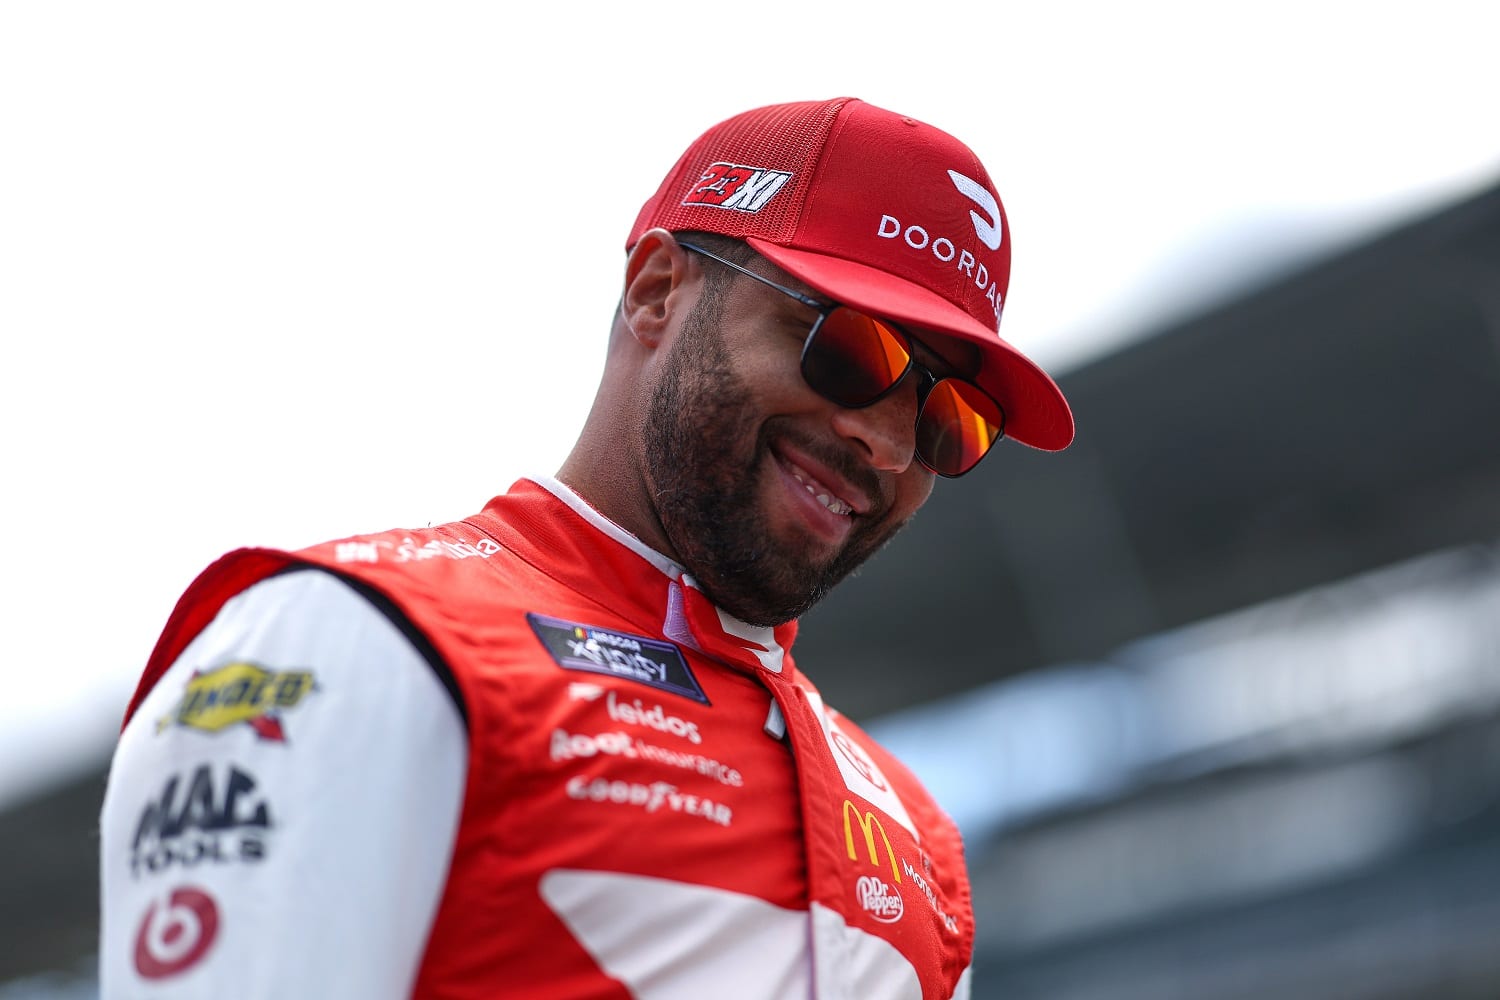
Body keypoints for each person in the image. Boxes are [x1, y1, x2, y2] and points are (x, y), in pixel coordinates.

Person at [98, 96, 1074, 999]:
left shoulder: (919, 837)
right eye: (852, 348)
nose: (891, 444)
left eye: (953, 418)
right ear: (656, 292)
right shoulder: (350, 638)